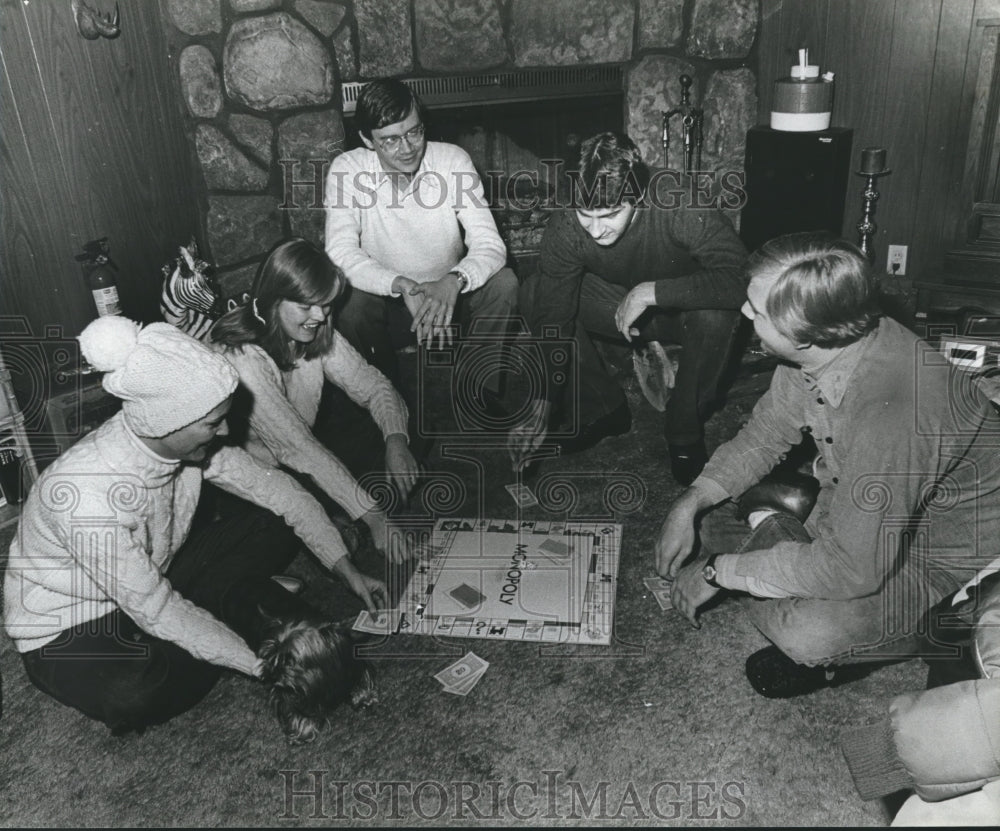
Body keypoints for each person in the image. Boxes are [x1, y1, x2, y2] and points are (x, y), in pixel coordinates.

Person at [654, 232, 1000, 698]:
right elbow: (762, 436)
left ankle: (920, 635)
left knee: (807, 633)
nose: (743, 314)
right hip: (864, 511)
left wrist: (718, 571)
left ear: (804, 332)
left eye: (755, 311)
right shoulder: (816, 352)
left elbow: (852, 571)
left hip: (936, 560)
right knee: (711, 515)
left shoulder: (892, 412)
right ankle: (784, 533)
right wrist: (687, 503)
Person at [3, 317, 386, 736]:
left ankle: (229, 609)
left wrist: (344, 567)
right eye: (213, 423)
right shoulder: (84, 495)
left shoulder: (188, 443)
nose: (226, 430)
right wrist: (261, 666)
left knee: (272, 522)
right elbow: (157, 609)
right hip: (72, 626)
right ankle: (243, 614)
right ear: (170, 422)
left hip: (154, 571)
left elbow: (281, 494)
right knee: (135, 695)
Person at [507, 132, 748, 485]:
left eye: (609, 215)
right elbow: (553, 320)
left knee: (717, 312)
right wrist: (542, 406)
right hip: (618, 310)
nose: (595, 230)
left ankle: (683, 429)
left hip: (685, 314)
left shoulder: (677, 199)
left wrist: (652, 292)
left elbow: (743, 280)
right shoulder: (567, 225)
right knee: (534, 293)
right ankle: (604, 410)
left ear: (637, 196)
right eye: (585, 215)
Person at [324, 77, 518, 423]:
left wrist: (453, 281)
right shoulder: (347, 170)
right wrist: (400, 285)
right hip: (392, 304)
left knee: (504, 283)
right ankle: (386, 400)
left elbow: (491, 244)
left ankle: (476, 387)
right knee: (349, 303)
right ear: (367, 140)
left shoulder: (452, 160)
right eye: (390, 140)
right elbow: (339, 253)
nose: (408, 148)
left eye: (414, 132)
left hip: (451, 299)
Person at [211, 237, 417, 561]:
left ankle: (339, 517)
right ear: (272, 300)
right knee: (277, 525)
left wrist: (396, 441)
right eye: (306, 306)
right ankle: (335, 524)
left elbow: (375, 386)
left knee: (401, 435)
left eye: (325, 304)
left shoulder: (315, 328)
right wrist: (376, 517)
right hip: (258, 476)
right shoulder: (243, 359)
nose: (320, 316)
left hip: (301, 453)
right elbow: (298, 449)